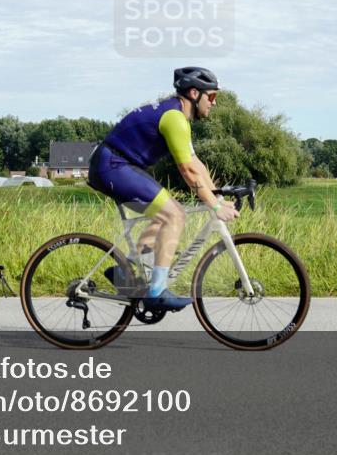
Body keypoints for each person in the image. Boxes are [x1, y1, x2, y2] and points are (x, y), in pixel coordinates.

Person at [88, 67, 240, 311]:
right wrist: (214, 206)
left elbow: (196, 164)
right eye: (211, 96)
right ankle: (157, 291)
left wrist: (218, 196)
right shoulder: (174, 118)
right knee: (174, 214)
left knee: (166, 213)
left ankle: (125, 271)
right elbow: (187, 171)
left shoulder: (177, 116)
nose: (214, 102)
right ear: (194, 93)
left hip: (117, 164)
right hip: (113, 166)